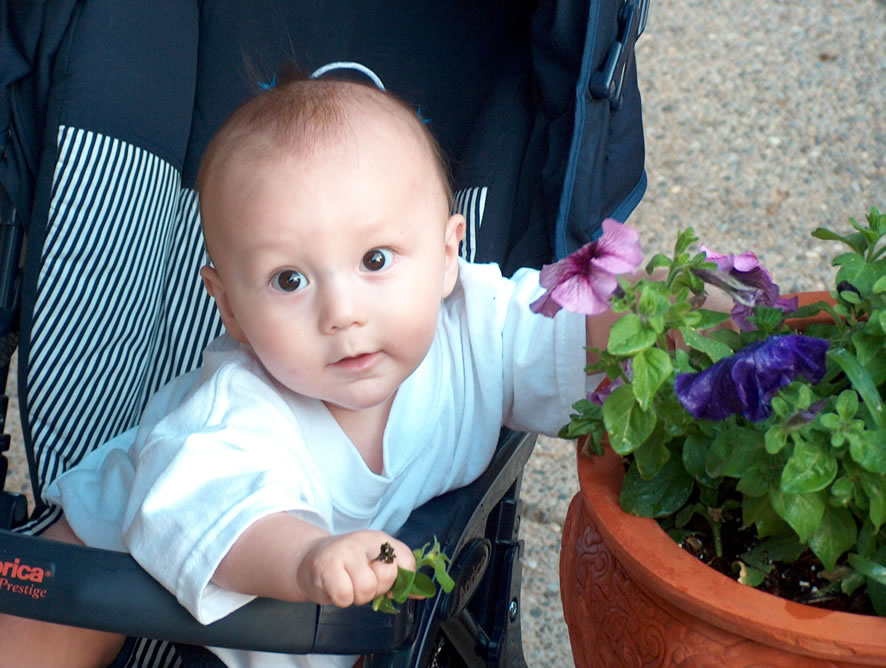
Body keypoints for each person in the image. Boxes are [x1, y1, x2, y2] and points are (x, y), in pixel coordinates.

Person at [0, 72, 622, 667]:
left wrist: (681, 307)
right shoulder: (237, 413)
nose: (341, 312)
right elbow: (214, 513)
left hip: (296, 612)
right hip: (120, 544)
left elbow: (574, 332)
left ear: (446, 255)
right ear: (231, 310)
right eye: (289, 280)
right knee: (40, 629)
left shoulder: (475, 326)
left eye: (375, 259)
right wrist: (306, 556)